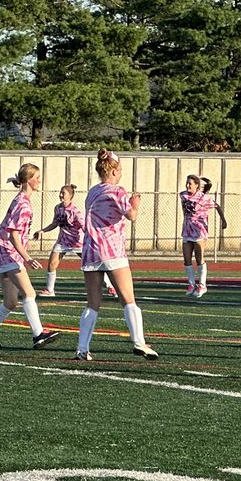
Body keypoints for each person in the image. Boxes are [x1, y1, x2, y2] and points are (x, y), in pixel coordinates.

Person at [74, 149, 157, 361]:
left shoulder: (93, 191)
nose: (120, 174)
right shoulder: (117, 190)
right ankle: (139, 342)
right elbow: (132, 215)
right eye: (119, 170)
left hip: (91, 249)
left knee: (92, 302)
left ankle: (82, 348)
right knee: (128, 299)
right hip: (112, 250)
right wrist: (135, 203)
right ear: (112, 170)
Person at [0, 165, 61, 350]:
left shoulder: (22, 199)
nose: (39, 181)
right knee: (29, 293)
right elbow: (13, 235)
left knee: (10, 301)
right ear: (29, 180)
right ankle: (38, 334)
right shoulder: (23, 203)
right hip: (7, 251)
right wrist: (26, 258)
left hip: (2, 249)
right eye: (37, 177)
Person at [180, 175, 227, 299]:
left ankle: (202, 285)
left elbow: (217, 207)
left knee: (199, 257)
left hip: (199, 230)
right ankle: (191, 284)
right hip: (187, 229)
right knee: (186, 258)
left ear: (196, 185)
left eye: (190, 183)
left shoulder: (204, 198)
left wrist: (223, 220)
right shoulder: (183, 195)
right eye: (187, 183)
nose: (188, 185)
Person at [33, 184, 84, 298]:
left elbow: (84, 226)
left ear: (70, 196)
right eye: (60, 192)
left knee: (91, 264)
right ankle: (50, 290)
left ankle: (111, 287)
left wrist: (93, 239)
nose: (61, 195)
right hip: (63, 241)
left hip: (77, 241)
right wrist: (42, 231)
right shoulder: (58, 208)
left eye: (63, 193)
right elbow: (55, 223)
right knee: (52, 263)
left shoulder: (75, 211)